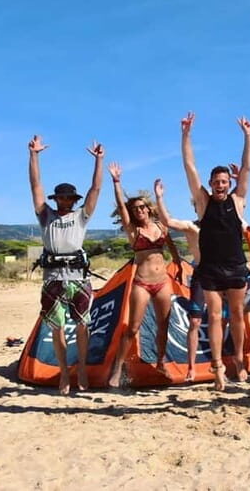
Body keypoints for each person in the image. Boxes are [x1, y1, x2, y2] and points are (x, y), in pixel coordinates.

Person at [181, 111, 250, 390]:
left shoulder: (238, 201)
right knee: (213, 316)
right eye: (216, 182)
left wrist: (248, 136)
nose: (220, 185)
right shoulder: (203, 202)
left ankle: (237, 359)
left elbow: (246, 169)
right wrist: (186, 134)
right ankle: (217, 368)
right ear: (211, 185)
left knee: (236, 316)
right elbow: (189, 166)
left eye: (225, 181)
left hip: (235, 267)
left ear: (229, 184)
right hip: (210, 269)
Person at [28, 135, 104, 395]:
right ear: (56, 199)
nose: (65, 201)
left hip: (78, 278)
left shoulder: (80, 216)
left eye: (69, 197)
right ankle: (63, 372)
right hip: (53, 280)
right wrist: (34, 155)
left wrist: (99, 161)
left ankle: (80, 368)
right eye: (61, 197)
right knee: (56, 326)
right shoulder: (46, 216)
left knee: (83, 325)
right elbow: (35, 186)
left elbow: (95, 191)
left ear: (73, 199)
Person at [107, 165, 181, 387]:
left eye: (142, 207)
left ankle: (160, 361)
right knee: (132, 328)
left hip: (163, 282)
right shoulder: (133, 231)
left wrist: (177, 261)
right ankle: (118, 369)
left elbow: (171, 246)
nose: (139, 211)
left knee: (164, 325)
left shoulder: (161, 226)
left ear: (148, 209)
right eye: (135, 209)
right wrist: (116, 182)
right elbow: (121, 205)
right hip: (141, 282)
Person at [154, 178, 204, 382]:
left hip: (224, 274)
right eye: (199, 204)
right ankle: (191, 367)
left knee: (230, 318)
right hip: (202, 273)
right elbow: (168, 222)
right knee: (195, 321)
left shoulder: (225, 222)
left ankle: (233, 360)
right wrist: (159, 198)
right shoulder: (192, 226)